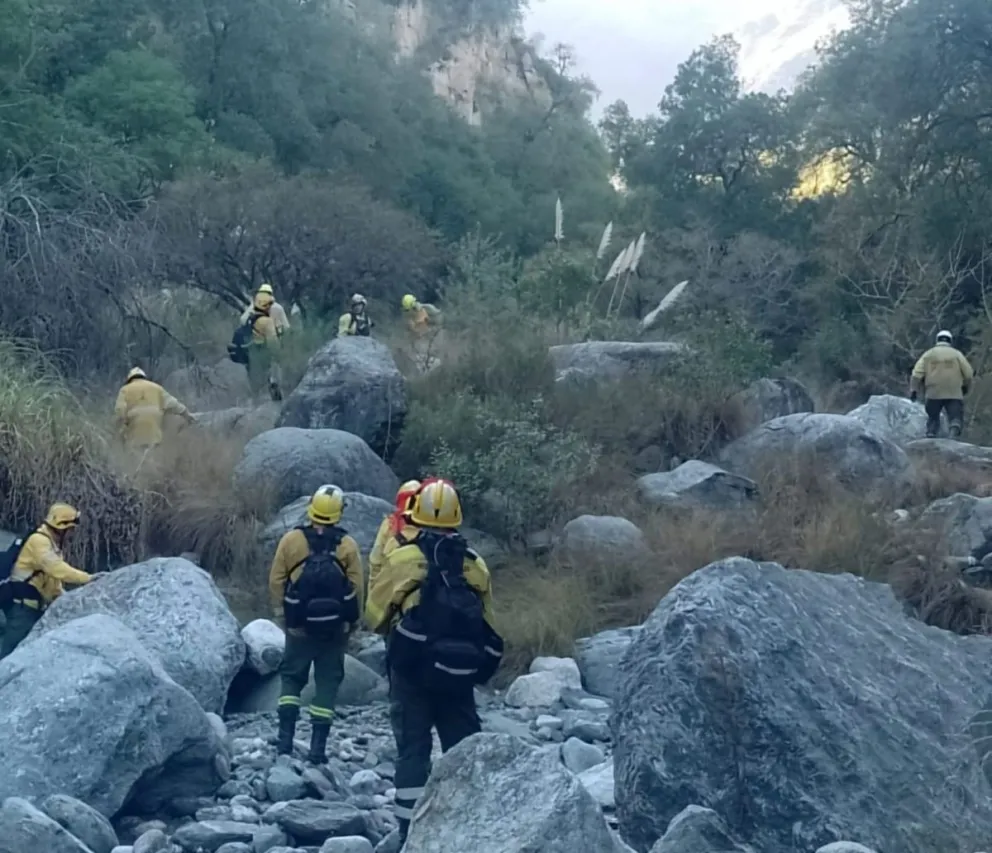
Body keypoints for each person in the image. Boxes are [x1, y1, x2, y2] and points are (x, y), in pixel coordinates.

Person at [365, 479, 502, 844]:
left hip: (411, 671)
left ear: (416, 514)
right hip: (459, 676)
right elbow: (488, 623)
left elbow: (374, 615)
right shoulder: (475, 565)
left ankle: (410, 835)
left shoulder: (402, 558)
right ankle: (474, 829)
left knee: (413, 749)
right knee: (465, 748)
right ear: (457, 518)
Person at [268, 485, 364, 764]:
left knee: (291, 677)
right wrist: (352, 622)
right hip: (334, 629)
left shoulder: (291, 540)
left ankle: (284, 744)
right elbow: (357, 585)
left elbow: (276, 580)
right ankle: (317, 750)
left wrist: (282, 615)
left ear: (311, 508)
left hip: (299, 625)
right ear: (339, 513)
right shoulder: (347, 545)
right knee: (328, 681)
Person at [1, 503, 92, 659]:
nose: (71, 534)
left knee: (23, 656)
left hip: (32, 609)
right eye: (70, 529)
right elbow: (56, 568)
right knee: (11, 655)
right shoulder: (39, 541)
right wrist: (88, 578)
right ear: (62, 527)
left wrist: (69, 600)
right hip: (22, 608)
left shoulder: (51, 545)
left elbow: (54, 586)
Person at [114, 367, 196, 453]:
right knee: (152, 450)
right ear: (144, 377)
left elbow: (120, 410)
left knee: (136, 451)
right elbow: (173, 404)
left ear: (130, 379)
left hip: (134, 424)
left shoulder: (125, 389)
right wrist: (187, 415)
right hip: (154, 424)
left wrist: (118, 428)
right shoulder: (157, 388)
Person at [911, 330, 974, 438]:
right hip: (953, 391)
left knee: (933, 416)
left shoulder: (928, 354)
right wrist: (965, 388)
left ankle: (931, 431)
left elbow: (916, 373)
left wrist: (914, 390)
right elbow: (969, 373)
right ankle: (954, 428)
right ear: (950, 341)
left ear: (937, 340)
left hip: (933, 391)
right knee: (955, 416)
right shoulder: (957, 354)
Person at [368, 479, 422, 592]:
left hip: (390, 586)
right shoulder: (433, 528)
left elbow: (375, 561)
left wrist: (373, 590)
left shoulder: (390, 524)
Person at [247, 288, 284, 402]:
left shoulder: (249, 318)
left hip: (251, 351)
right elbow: (272, 341)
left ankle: (255, 399)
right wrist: (278, 354)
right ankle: (274, 397)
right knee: (272, 374)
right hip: (264, 351)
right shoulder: (267, 321)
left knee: (255, 378)